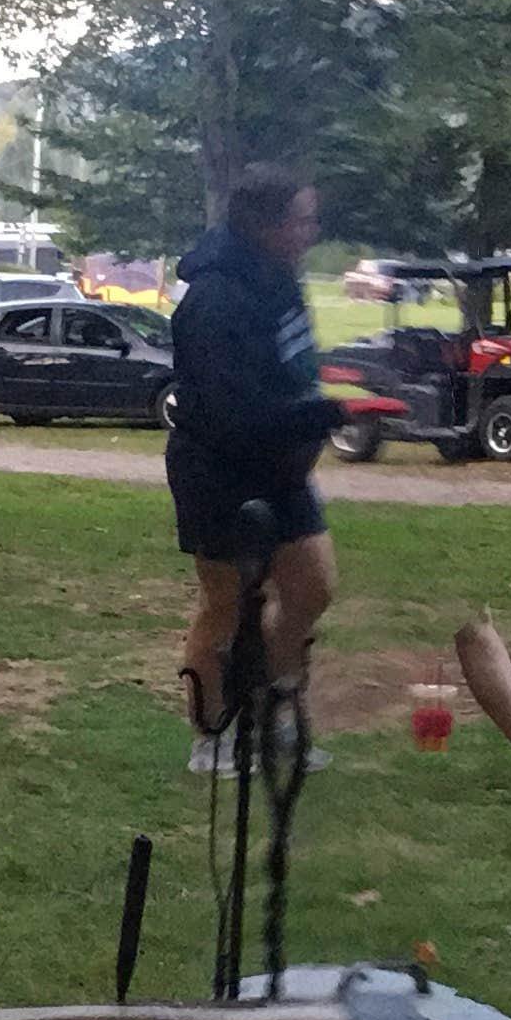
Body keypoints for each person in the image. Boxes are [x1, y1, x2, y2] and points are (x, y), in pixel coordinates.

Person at [164, 168, 341, 778]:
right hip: (218, 467)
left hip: (282, 462)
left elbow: (290, 367)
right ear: (263, 225)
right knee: (229, 604)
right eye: (300, 221)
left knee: (312, 587)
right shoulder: (215, 297)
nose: (310, 233)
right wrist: (310, 415)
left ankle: (273, 719)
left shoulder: (279, 280)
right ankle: (210, 736)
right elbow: (226, 405)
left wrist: (318, 408)